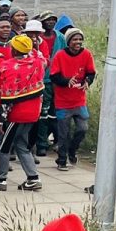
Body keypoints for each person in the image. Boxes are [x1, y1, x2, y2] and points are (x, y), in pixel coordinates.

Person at [0, 33, 44, 192]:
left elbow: (8, 97)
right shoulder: (37, 63)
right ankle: (33, 178)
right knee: (21, 145)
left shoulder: (8, 66)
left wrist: (1, 119)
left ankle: (1, 180)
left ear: (14, 48)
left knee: (4, 147)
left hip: (17, 114)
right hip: (34, 112)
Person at [48, 28, 95, 171]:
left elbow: (91, 72)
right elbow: (54, 76)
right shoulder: (60, 55)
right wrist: (67, 81)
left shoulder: (86, 54)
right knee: (63, 133)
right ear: (68, 42)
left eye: (80, 39)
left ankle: (72, 150)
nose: (78, 42)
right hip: (63, 102)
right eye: (75, 39)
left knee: (82, 129)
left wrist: (88, 80)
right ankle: (61, 159)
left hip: (79, 101)